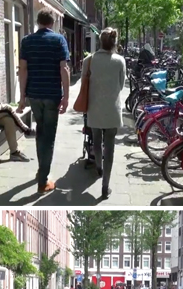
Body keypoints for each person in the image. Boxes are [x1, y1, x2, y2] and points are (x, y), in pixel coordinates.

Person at [17, 9, 70, 194]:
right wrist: (66, 97)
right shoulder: (59, 40)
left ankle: (41, 170)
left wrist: (22, 97)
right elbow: (64, 69)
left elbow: (22, 70)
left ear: (38, 21)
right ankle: (43, 181)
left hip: (34, 95)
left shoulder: (27, 41)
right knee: (49, 137)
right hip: (52, 95)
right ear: (52, 22)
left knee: (40, 131)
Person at [82, 27, 126, 199]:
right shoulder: (120, 61)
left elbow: (84, 84)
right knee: (110, 148)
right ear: (114, 43)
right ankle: (105, 186)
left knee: (96, 141)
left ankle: (98, 166)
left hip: (94, 109)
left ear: (100, 41)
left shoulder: (89, 60)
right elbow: (121, 85)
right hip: (113, 111)